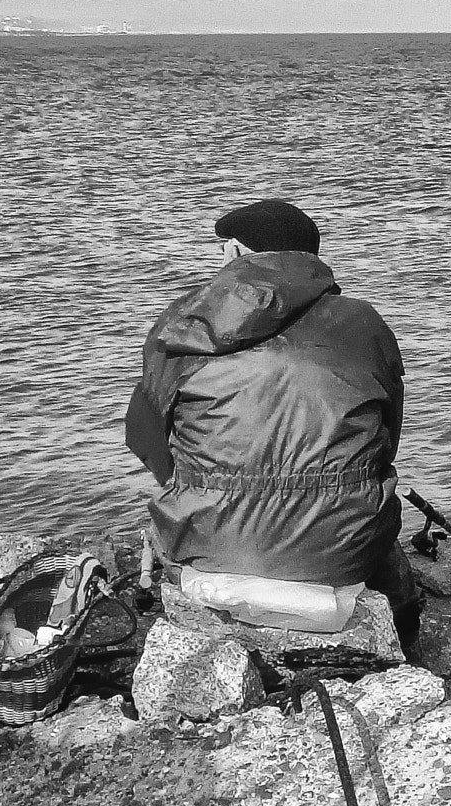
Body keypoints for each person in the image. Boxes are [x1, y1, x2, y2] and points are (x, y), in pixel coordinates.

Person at [124, 198, 416, 633]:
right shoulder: (365, 325)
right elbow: (384, 441)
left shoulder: (184, 323)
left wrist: (202, 488)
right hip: (338, 566)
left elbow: (144, 439)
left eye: (223, 249)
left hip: (210, 562)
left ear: (238, 253)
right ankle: (403, 637)